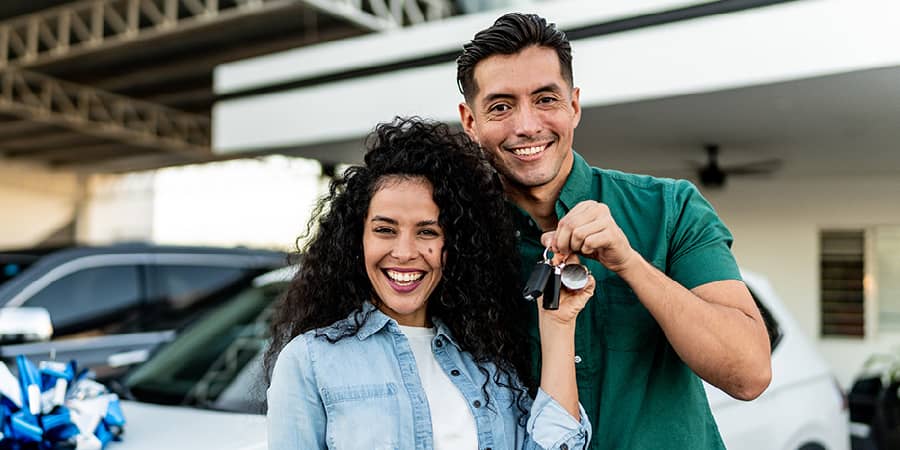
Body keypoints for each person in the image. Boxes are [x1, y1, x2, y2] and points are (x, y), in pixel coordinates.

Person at [456, 13, 773, 449]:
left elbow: (749, 374)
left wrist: (629, 263)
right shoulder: (453, 238)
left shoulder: (670, 208)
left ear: (575, 105)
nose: (526, 125)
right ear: (470, 122)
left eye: (546, 99)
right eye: (501, 106)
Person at [265, 117, 594, 449]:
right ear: (356, 239)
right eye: (385, 229)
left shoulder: (488, 361)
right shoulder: (310, 361)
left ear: (455, 246)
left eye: (427, 232)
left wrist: (558, 325)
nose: (405, 252)